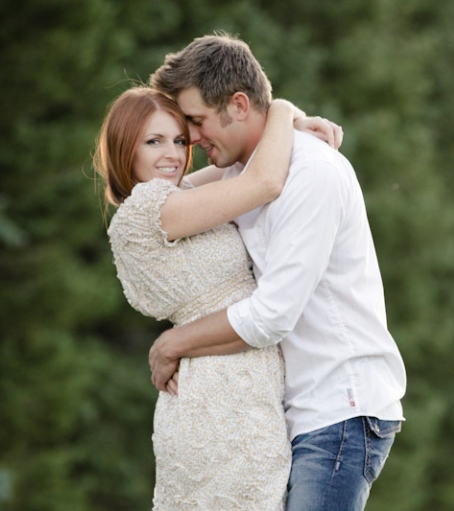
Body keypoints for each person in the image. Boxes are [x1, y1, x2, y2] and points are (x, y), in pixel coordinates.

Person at [148, 34, 407, 511]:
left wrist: (172, 344)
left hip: (341, 410)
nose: (193, 138)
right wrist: (287, 114)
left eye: (198, 121)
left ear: (239, 104)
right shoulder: (240, 178)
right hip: (292, 415)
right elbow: (163, 195)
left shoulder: (313, 173)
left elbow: (273, 316)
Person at [93, 86, 342, 510]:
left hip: (241, 378)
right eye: (153, 142)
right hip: (221, 396)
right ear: (124, 150)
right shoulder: (152, 210)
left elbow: (247, 163)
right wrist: (280, 109)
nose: (172, 153)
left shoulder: (179, 196)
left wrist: (292, 126)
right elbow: (263, 182)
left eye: (178, 139)